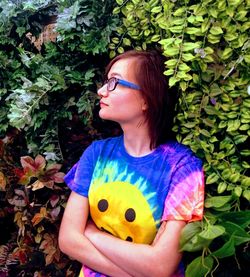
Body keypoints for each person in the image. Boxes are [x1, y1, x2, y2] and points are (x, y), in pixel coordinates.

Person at [59, 50, 205, 277]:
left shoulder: (183, 168)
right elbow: (68, 239)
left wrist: (92, 233)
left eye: (114, 82)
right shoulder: (97, 154)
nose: (101, 91)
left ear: (146, 98)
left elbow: (160, 266)